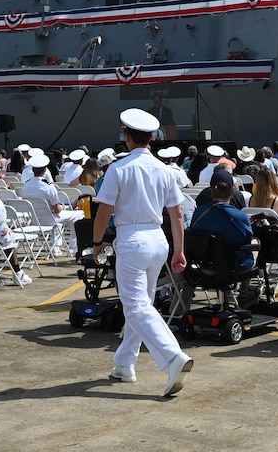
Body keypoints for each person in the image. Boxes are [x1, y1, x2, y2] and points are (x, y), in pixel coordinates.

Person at [90, 108, 194, 397]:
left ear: (127, 136)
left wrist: (97, 241)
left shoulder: (119, 168)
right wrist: (179, 251)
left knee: (135, 306)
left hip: (132, 239)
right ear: (152, 138)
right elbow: (176, 215)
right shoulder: (164, 170)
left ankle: (173, 357)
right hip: (158, 240)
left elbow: (103, 212)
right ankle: (125, 363)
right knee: (142, 304)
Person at [186, 169, 255, 272]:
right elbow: (247, 240)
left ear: (211, 190)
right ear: (232, 191)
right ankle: (245, 287)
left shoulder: (198, 212)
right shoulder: (240, 216)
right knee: (255, 242)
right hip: (233, 266)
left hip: (205, 265)